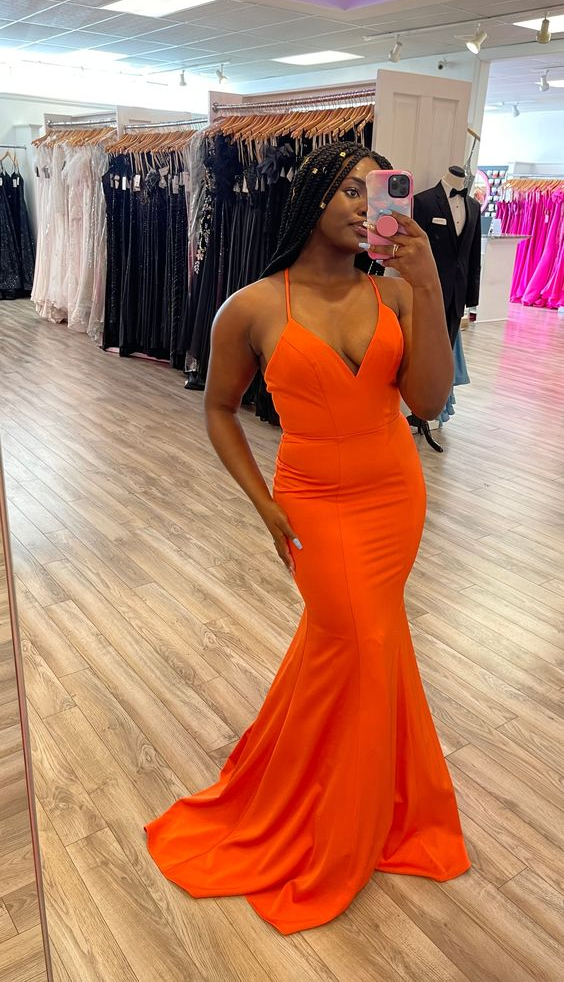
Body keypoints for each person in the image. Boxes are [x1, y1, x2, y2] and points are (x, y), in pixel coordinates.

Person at [145, 142, 471, 935]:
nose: (365, 204)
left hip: (395, 496)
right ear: (313, 197)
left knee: (361, 642)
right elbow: (218, 408)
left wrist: (429, 285)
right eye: (349, 189)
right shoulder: (252, 306)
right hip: (312, 506)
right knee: (361, 638)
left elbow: (428, 403)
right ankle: (337, 812)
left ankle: (355, 792)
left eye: (377, 190)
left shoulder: (396, 294)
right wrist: (262, 505)